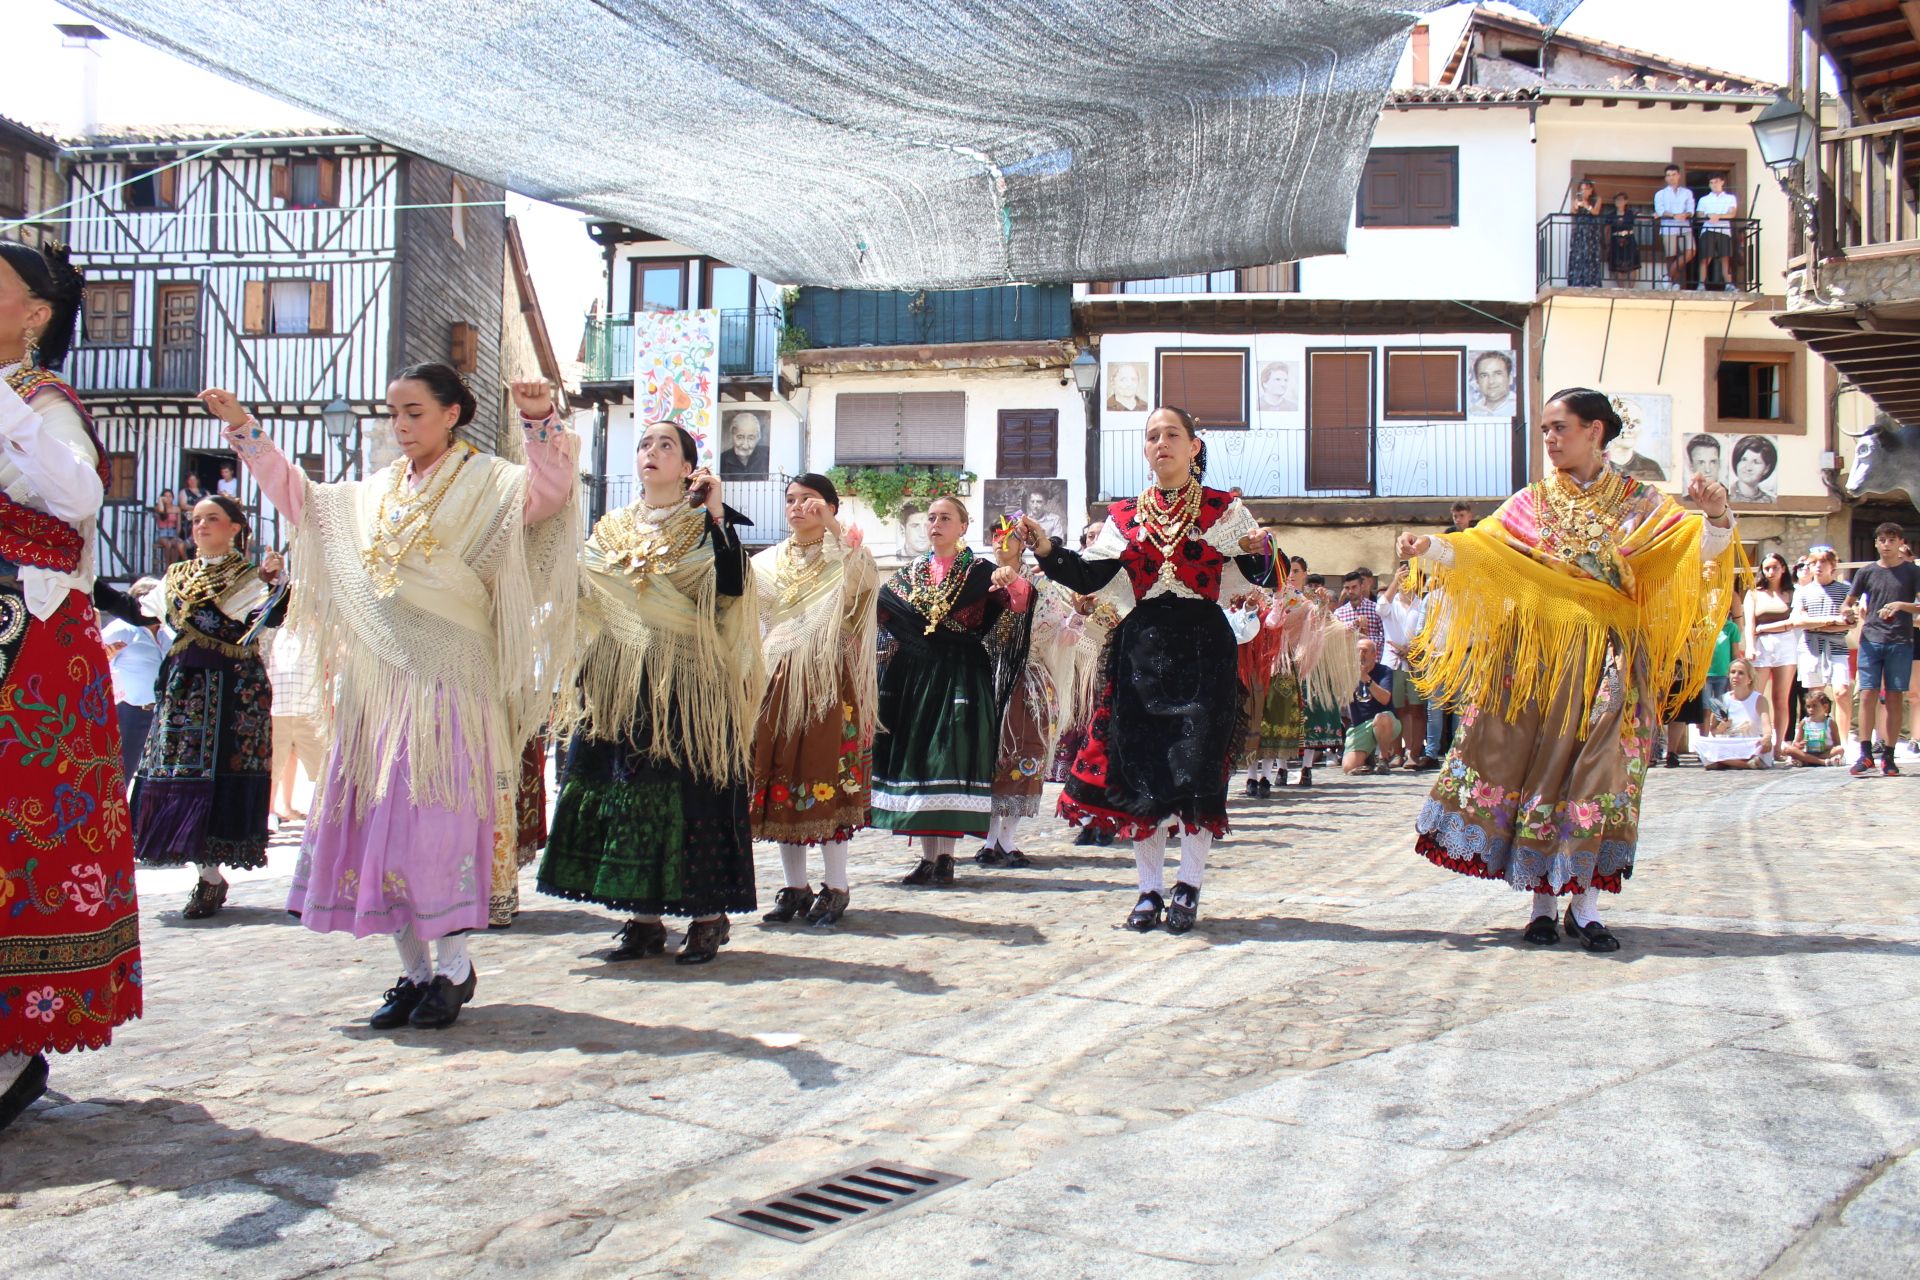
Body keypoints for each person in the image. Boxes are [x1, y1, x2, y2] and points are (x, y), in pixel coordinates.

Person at [209, 368, 580, 1029]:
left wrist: (539, 420)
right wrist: (247, 432)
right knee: (376, 827)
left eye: (414, 412)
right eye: (395, 415)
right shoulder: (373, 493)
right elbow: (304, 503)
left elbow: (549, 494)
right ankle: (413, 973)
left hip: (451, 681)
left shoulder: (492, 482)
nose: (401, 426)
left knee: (437, 827)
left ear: (452, 413)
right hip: (377, 686)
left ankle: (455, 969)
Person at [1399, 387, 1737, 953]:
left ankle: (1585, 906)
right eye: (1546, 430)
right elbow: (1482, 550)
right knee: (1542, 769)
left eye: (1560, 427)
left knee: (1600, 774)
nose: (1550, 439)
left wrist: (1719, 512)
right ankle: (1541, 904)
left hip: (1613, 656)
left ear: (1596, 431)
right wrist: (1430, 546)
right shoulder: (1530, 503)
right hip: (1540, 659)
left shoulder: (1640, 504)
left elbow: (1698, 551)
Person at [1018, 406, 1278, 934]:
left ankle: (1189, 885)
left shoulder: (1224, 508)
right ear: (1145, 450)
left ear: (1193, 447)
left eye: (1172, 434)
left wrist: (1258, 550)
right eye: (1152, 436)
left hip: (1205, 649)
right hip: (1142, 650)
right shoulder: (1124, 516)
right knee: (1142, 769)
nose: (1161, 443)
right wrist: (1046, 549)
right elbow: (1089, 576)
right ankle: (1148, 890)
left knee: (1197, 770)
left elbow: (1262, 570)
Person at [0, 239, 142, 1131]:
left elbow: (77, 498)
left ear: (35, 314)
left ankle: (15, 1048)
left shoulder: (44, 404)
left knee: (26, 826)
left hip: (31, 653)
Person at [540, 422, 762, 964]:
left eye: (667, 446)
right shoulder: (611, 527)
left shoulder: (708, 526)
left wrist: (714, 514)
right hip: (618, 679)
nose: (652, 452)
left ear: (690, 467)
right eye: (644, 444)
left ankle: (708, 917)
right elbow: (583, 589)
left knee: (689, 794)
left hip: (688, 685)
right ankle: (642, 918)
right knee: (625, 792)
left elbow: (733, 588)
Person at [130, 496, 285, 917]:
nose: (200, 526)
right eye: (196, 519)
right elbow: (140, 612)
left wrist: (273, 585)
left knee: (221, 776)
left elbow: (271, 618)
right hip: (183, 688)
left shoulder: (252, 578)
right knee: (178, 775)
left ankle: (209, 876)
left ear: (235, 527)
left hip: (235, 691)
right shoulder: (175, 576)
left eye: (211, 519)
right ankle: (207, 874)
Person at [872, 495, 1030, 884]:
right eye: (931, 518)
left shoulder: (981, 572)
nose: (936, 524)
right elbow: (880, 610)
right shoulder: (910, 574)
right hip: (914, 673)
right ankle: (930, 860)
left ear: (963, 526)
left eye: (946, 517)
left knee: (949, 757)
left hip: (960, 672)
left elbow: (1021, 605)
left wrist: (1012, 581)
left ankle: (946, 858)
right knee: (921, 759)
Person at [751, 473, 878, 928]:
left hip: (830, 680)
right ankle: (794, 886)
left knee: (827, 775)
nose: (798, 507)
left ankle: (837, 885)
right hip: (778, 679)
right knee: (781, 776)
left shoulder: (847, 555)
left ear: (830, 506)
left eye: (810, 500)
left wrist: (837, 534)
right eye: (791, 500)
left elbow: (865, 590)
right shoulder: (764, 562)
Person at [982, 536, 1082, 866]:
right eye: (996, 537)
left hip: (1029, 680)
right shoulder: (979, 578)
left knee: (1027, 752)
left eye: (1009, 537)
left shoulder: (1042, 586)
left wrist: (1079, 617)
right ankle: (989, 837)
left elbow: (1062, 632)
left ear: (1021, 545)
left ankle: (1006, 839)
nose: (1001, 544)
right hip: (986, 678)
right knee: (987, 757)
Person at [1842, 521, 1920, 776]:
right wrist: (1849, 615)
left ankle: (1889, 753)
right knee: (1867, 693)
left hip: (1900, 640)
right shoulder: (1866, 572)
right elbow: (1848, 603)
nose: (1886, 544)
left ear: (1900, 543)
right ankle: (1865, 753)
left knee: (1895, 695)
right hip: (1871, 638)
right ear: (1876, 543)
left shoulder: (1912, 572)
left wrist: (1900, 604)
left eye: (1891, 539)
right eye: (1882, 540)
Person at [101, 576, 166, 787]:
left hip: (161, 716)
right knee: (120, 777)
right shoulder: (122, 628)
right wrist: (106, 656)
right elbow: (93, 657)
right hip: (129, 713)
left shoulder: (168, 634)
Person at [1790, 545, 1855, 747]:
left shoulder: (1845, 589)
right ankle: (1814, 741)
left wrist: (1821, 623)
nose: (1818, 566)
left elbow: (1850, 621)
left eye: (1823, 562)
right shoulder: (1803, 591)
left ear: (1832, 565)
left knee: (1842, 691)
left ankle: (1843, 742)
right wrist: (1830, 622)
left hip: (1836, 647)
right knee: (1815, 695)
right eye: (1814, 562)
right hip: (1811, 647)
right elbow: (1799, 620)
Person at [265, 609, 324, 826]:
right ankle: (270, 811)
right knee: (274, 764)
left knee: (321, 767)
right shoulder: (274, 631)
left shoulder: (318, 631)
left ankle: (322, 816)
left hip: (308, 709)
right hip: (277, 708)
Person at [1744, 552, 1798, 754]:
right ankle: (1756, 740)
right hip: (1762, 646)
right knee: (1756, 696)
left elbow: (1795, 621)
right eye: (1767, 568)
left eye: (1775, 567)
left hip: (1786, 645)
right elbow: (1750, 623)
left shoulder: (1792, 593)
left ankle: (1778, 745)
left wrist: (1767, 628)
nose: (1771, 572)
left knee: (1781, 698)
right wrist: (1750, 645)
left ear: (1783, 568)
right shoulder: (1754, 594)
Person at [1378, 562, 1429, 766]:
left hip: (1416, 661)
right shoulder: (1392, 603)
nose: (1406, 582)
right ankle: (1396, 752)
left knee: (1416, 708)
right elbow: (1380, 607)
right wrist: (1394, 581)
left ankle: (1413, 753)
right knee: (1397, 708)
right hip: (1393, 661)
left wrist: (1412, 651)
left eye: (1410, 577)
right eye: (1403, 577)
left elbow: (1429, 631)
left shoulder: (1423, 603)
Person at [1696, 658, 1773, 769]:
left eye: (1741, 673)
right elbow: (1713, 731)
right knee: (1700, 742)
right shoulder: (1721, 700)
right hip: (1731, 744)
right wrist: (1721, 728)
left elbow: (1767, 725)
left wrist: (1767, 737)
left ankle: (1724, 762)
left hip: (1750, 743)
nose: (1735, 676)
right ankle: (1746, 765)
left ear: (1749, 679)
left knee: (1760, 745)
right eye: (1733, 672)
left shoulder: (1759, 699)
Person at [1341, 636, 1399, 774]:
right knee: (1349, 768)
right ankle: (1369, 759)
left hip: (1385, 722)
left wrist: (1366, 679)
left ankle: (1384, 758)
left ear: (1374, 654)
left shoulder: (1384, 671)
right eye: (1358, 651)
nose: (1361, 655)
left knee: (1381, 718)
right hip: (1360, 726)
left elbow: (1385, 699)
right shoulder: (1348, 673)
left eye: (1365, 651)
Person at [1654, 164, 1696, 290]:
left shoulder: (1687, 192)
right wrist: (1674, 215)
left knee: (1691, 252)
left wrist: (1685, 214)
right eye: (1668, 175)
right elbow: (1660, 211)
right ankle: (1675, 282)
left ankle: (1667, 276)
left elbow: (1691, 210)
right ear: (1665, 178)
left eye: (1673, 175)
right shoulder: (1660, 194)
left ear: (1679, 176)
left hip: (1685, 227)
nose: (1671, 178)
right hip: (1669, 227)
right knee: (1671, 256)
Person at [1780, 688, 1844, 766]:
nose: (1811, 709)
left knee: (1840, 749)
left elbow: (1837, 744)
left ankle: (1809, 761)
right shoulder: (1804, 722)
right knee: (1788, 749)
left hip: (1824, 753)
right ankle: (1822, 762)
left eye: (1814, 706)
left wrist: (1827, 746)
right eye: (1808, 706)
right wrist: (1799, 745)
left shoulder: (1830, 723)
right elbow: (1796, 743)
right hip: (1808, 752)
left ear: (1825, 707)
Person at [1697, 174, 1739, 292]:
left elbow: (1732, 214)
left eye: (1716, 181)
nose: (1714, 184)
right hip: (1708, 230)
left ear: (1722, 182)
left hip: (1724, 231)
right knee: (1705, 257)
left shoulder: (1730, 198)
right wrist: (1708, 215)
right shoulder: (1704, 199)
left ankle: (1729, 284)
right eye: (1711, 182)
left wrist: (1718, 216)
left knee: (1725, 258)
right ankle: (1701, 284)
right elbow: (1699, 215)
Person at [1332, 568, 1383, 647]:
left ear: (1361, 586)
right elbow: (1335, 638)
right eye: (1347, 588)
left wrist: (1366, 639)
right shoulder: (1339, 613)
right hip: (1348, 658)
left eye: (1354, 587)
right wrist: (1353, 626)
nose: (1350, 591)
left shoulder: (1376, 608)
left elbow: (1386, 637)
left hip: (1371, 658)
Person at [1567, 179, 1604, 288]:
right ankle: (1578, 281)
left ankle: (1592, 281)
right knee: (1579, 254)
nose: (1584, 191)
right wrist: (1576, 205)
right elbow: (1572, 212)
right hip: (1580, 231)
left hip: (1591, 231)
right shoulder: (1577, 199)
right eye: (1582, 189)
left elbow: (1596, 212)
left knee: (1590, 254)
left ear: (1591, 190)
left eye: (1586, 189)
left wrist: (1586, 205)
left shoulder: (1597, 199)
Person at [1603, 192, 1641, 288]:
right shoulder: (1611, 215)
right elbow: (1606, 230)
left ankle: (1631, 289)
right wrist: (1607, 244)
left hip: (1629, 240)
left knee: (1633, 266)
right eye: (1617, 200)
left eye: (1621, 199)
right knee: (1618, 267)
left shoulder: (1630, 213)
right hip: (1616, 242)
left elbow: (1643, 218)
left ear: (1625, 201)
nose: (1619, 202)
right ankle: (1621, 289)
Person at [720, 409, 770, 479]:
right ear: (732, 435)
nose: (745, 445)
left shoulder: (768, 455)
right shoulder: (722, 459)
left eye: (751, 438)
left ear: (758, 437)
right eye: (740, 437)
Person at [1727, 436, 1777, 504]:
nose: (1748, 468)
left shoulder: (1772, 501)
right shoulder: (1724, 497)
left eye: (1756, 462)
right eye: (1744, 460)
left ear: (1766, 469)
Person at [1469, 351, 1515, 417]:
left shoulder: (1518, 408)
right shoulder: (1472, 412)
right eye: (1484, 375)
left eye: (1498, 374)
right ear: (1477, 381)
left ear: (1510, 378)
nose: (1491, 381)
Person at [153, 488, 186, 567]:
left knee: (178, 544)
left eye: (170, 496)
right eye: (165, 496)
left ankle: (174, 566)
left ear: (173, 498)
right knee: (168, 544)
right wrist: (160, 500)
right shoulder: (158, 507)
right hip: (162, 533)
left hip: (173, 532)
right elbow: (161, 510)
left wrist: (176, 535)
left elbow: (178, 525)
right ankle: (168, 566)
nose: (168, 498)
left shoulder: (176, 509)